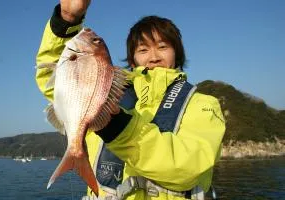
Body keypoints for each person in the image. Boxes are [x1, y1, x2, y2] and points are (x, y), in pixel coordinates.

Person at [35, 0, 226, 199]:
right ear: (132, 59)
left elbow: (189, 166)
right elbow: (59, 79)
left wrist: (116, 127)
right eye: (143, 50)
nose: (153, 57)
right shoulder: (110, 91)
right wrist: (67, 19)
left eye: (162, 47)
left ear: (177, 53)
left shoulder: (203, 104)